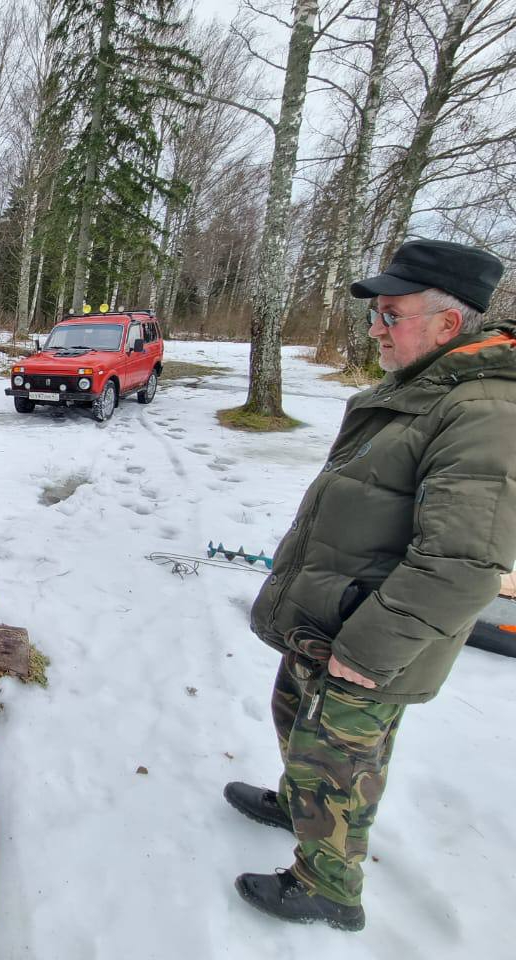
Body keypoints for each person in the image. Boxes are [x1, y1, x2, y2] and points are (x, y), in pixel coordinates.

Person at [227, 239, 515, 931]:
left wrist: (369, 648)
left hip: (369, 637)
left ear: (449, 323)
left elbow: (465, 560)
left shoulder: (485, 412)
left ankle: (326, 884)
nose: (376, 329)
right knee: (301, 725)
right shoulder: (425, 385)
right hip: (332, 619)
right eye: (375, 315)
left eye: (391, 314)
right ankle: (301, 800)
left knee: (341, 758)